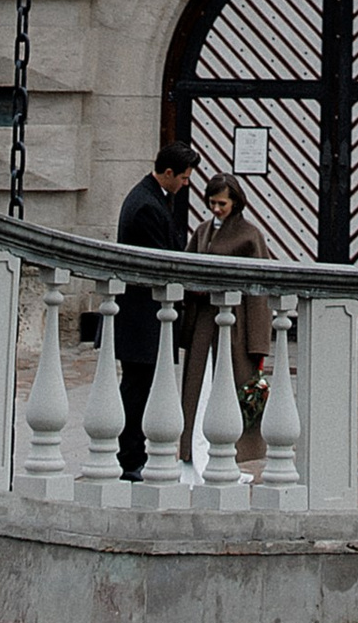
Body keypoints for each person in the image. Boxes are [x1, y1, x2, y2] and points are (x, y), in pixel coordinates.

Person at [114, 135, 197, 482]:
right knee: (136, 388)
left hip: (144, 316)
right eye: (183, 178)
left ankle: (135, 453)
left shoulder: (152, 197)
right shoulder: (148, 205)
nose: (185, 184)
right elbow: (164, 260)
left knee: (140, 386)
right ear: (167, 172)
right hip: (143, 316)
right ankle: (131, 457)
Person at [179, 170, 273, 469]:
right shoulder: (203, 231)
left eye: (222, 203)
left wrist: (258, 344)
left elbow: (260, 293)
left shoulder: (249, 235)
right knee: (200, 388)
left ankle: (231, 459)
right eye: (212, 203)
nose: (216, 209)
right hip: (204, 325)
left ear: (235, 202)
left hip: (237, 327)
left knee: (231, 391)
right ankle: (194, 453)